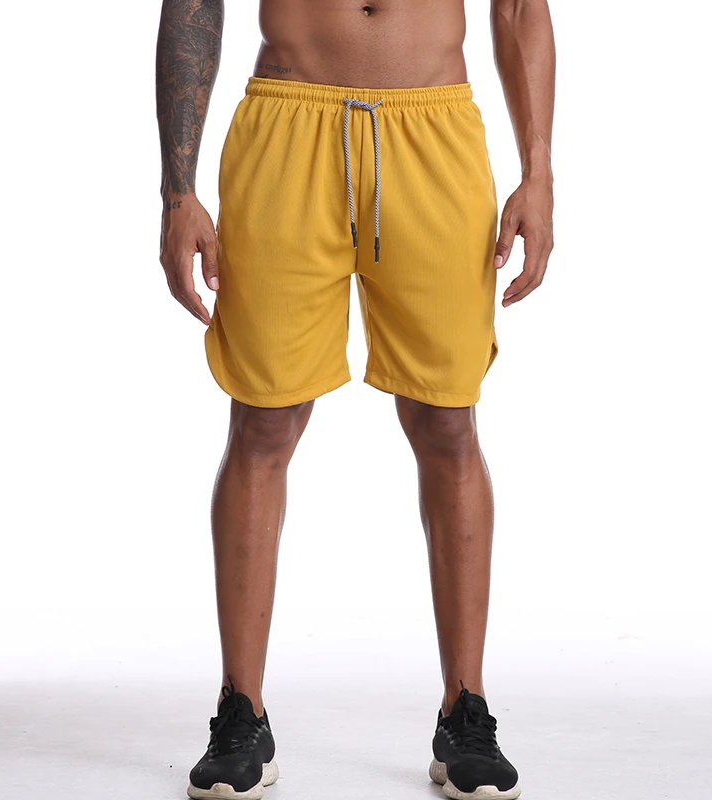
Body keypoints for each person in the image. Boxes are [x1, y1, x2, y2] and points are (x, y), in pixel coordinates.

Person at [156, 1, 554, 798]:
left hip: (434, 127)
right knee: (263, 421)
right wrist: (178, 192)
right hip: (286, 123)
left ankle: (465, 709)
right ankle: (241, 712)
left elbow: (518, 6)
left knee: (448, 419)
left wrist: (538, 172)